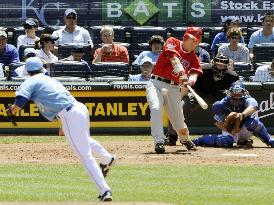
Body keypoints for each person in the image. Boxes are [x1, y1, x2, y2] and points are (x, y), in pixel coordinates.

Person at [6, 57, 116, 201]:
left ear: (27, 71)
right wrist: (62, 123)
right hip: (78, 108)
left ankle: (105, 191)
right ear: (41, 68)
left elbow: (20, 101)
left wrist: (12, 110)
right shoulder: (49, 79)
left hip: (69, 114)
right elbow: (57, 99)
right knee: (84, 141)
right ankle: (108, 159)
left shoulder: (31, 81)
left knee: (84, 155)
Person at [146, 27, 203, 154]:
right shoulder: (173, 41)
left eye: (197, 41)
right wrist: (181, 72)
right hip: (156, 83)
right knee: (156, 108)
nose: (194, 43)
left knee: (178, 120)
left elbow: (194, 74)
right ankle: (159, 141)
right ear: (186, 37)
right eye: (192, 39)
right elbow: (173, 58)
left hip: (174, 88)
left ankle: (184, 139)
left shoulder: (194, 58)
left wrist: (190, 81)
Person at [165, 54, 239, 146]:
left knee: (234, 109)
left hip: (218, 95)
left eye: (223, 65)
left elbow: (235, 92)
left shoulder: (232, 76)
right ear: (213, 63)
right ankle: (171, 136)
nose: (220, 67)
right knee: (181, 107)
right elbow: (187, 84)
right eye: (218, 64)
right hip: (198, 93)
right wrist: (180, 97)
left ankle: (238, 137)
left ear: (227, 66)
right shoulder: (202, 69)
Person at [192, 81, 274, 148]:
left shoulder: (248, 99)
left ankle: (269, 140)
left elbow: (254, 106)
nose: (236, 96)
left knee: (253, 122)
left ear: (244, 92)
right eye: (234, 93)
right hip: (230, 130)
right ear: (230, 92)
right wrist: (230, 129)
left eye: (239, 93)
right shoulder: (224, 102)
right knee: (225, 142)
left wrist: (242, 115)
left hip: (246, 128)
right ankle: (201, 140)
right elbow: (216, 121)